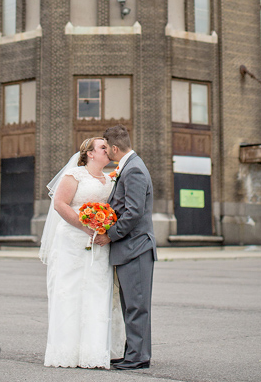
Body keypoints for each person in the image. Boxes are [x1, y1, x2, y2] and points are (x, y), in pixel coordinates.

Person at [39, 137, 125, 369]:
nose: (108, 150)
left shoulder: (110, 179)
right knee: (70, 291)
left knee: (98, 291)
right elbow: (60, 204)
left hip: (99, 244)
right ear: (90, 153)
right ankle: (66, 352)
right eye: (103, 147)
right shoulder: (74, 176)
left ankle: (94, 351)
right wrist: (86, 227)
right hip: (72, 241)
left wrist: (104, 228)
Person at [92, 124, 157, 370]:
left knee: (137, 305)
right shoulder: (128, 167)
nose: (106, 152)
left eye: (107, 147)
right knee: (131, 304)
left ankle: (138, 357)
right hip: (129, 249)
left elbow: (133, 212)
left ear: (115, 147)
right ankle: (133, 353)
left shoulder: (134, 170)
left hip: (136, 248)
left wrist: (111, 235)